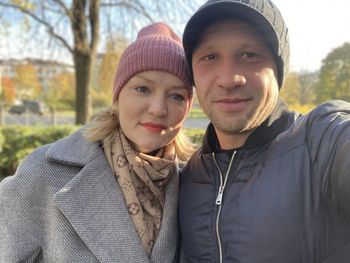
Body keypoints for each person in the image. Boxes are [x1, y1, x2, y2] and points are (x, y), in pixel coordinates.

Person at [0, 22, 194, 262]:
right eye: (143, 89)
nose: (158, 109)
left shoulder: (193, 183)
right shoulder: (44, 173)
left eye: (176, 96)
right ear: (118, 96)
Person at [178, 0, 350, 262]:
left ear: (278, 70)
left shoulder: (320, 144)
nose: (228, 79)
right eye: (209, 58)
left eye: (249, 55)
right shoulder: (187, 176)